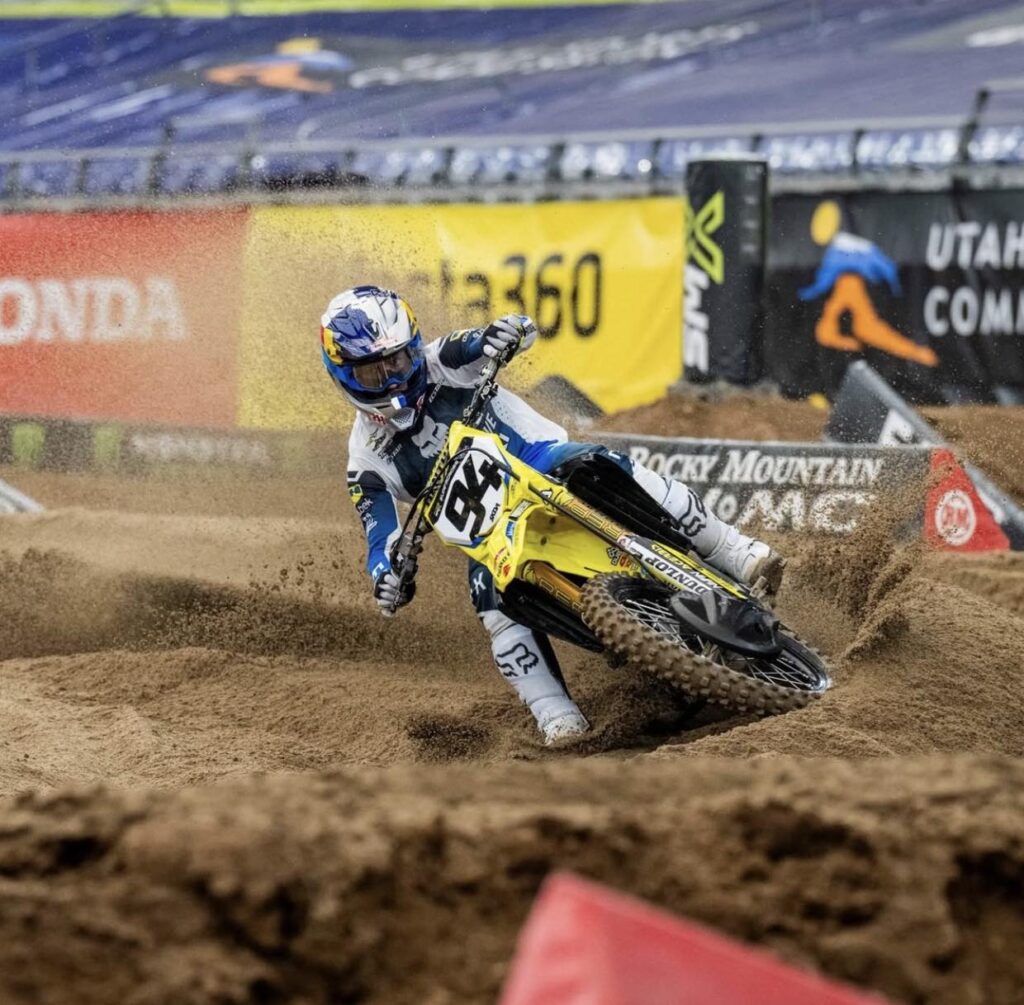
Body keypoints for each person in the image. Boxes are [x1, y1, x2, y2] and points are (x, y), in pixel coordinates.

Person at [322, 285, 782, 745]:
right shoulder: (366, 462)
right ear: (343, 376)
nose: (392, 379)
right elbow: (380, 541)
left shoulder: (443, 359)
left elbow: (494, 336)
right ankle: (555, 715)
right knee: (490, 600)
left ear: (414, 348)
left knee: (605, 464)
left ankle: (735, 551)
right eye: (373, 372)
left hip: (542, 461)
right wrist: (387, 578)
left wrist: (507, 333)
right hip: (490, 535)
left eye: (399, 361)